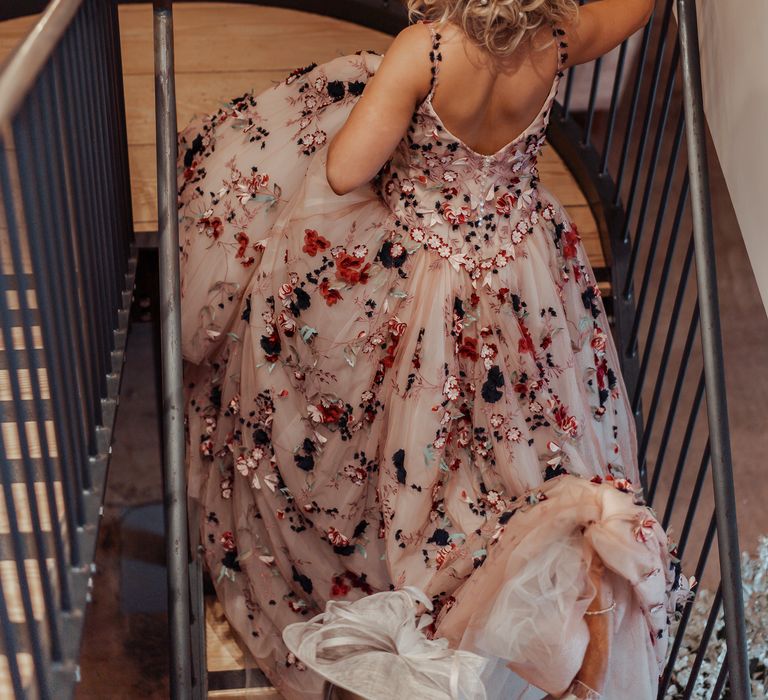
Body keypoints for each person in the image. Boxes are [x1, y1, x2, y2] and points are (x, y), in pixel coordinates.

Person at [178, 0, 691, 698]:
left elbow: (346, 169)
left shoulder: (427, 49)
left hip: (419, 270)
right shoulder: (557, 39)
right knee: (517, 430)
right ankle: (521, 565)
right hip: (520, 267)